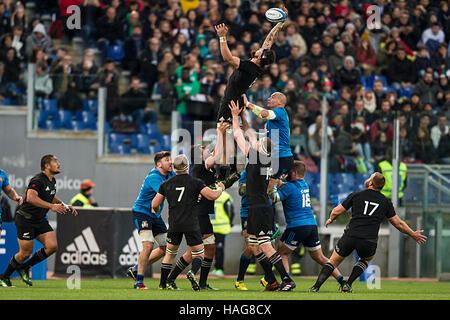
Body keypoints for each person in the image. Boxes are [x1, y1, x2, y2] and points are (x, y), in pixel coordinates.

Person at [309, 172, 427, 293]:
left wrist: (331, 218)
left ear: (371, 182)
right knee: (366, 259)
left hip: (351, 235)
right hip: (369, 240)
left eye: (370, 177)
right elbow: (398, 223)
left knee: (333, 261)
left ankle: (315, 287)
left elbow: (337, 210)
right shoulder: (386, 202)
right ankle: (347, 285)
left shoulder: (356, 195)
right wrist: (412, 233)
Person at [229, 99, 295, 292]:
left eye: (257, 142)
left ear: (260, 148)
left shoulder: (256, 157)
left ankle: (287, 279)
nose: (255, 141)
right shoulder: (268, 161)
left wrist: (234, 117)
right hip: (258, 206)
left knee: (264, 245)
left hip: (259, 207)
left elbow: (239, 136)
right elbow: (249, 134)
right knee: (256, 246)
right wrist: (242, 116)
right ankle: (273, 281)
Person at [213, 6, 286, 172]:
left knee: (223, 134)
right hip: (237, 100)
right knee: (230, 134)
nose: (260, 47)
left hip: (231, 102)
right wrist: (280, 24)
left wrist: (222, 38)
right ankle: (229, 167)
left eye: (261, 51)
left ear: (260, 57)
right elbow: (269, 41)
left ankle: (226, 170)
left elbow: (227, 58)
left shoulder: (249, 67)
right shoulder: (256, 66)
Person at [164, 122, 236, 290]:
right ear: (199, 156)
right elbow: (217, 155)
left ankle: (182, 280)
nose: (208, 151)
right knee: (202, 250)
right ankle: (190, 278)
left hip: (201, 213)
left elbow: (222, 158)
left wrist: (225, 137)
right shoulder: (199, 167)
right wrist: (220, 132)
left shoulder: (206, 170)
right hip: (199, 214)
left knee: (200, 250)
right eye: (204, 151)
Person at [0, 155, 78, 288]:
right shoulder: (38, 179)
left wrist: (64, 205)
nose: (59, 164)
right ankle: (4, 277)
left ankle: (24, 268)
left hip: (39, 220)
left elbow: (51, 196)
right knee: (25, 253)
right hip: (26, 219)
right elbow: (30, 197)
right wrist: (51, 207)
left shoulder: (51, 181)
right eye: (55, 161)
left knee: (52, 246)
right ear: (47, 165)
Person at [152, 154, 225, 291]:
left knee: (170, 254)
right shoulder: (195, 182)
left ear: (174, 168)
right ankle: (192, 272)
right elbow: (212, 195)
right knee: (199, 253)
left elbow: (155, 204)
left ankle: (163, 284)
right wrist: (221, 187)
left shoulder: (166, 184)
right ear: (187, 167)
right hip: (191, 223)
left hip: (174, 223)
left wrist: (156, 210)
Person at [269, 160, 346, 289]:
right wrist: (280, 181)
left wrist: (272, 184)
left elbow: (274, 198)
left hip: (297, 226)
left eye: (288, 171)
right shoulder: (304, 185)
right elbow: (288, 187)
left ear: (293, 172)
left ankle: (286, 282)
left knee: (282, 253)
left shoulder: (290, 187)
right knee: (320, 257)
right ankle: (343, 282)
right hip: (311, 225)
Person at [127, 151, 175, 290]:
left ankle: (135, 269)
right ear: (159, 164)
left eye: (171, 159)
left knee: (165, 248)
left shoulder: (169, 174)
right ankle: (139, 283)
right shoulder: (154, 177)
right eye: (167, 160)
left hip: (155, 216)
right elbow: (168, 192)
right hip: (142, 213)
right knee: (148, 245)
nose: (171, 162)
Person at [243, 92, 294, 194]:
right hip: (279, 158)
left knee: (265, 190)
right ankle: (278, 187)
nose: (269, 99)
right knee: (266, 187)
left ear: (280, 102)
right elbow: (267, 138)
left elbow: (263, 114)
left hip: (281, 158)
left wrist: (247, 103)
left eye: (272, 97)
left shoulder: (280, 112)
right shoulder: (273, 120)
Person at [209, 190, 234, 277]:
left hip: (221, 228)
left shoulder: (224, 196)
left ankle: (220, 269)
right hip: (212, 227)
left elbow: (230, 212)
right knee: (211, 249)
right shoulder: (211, 194)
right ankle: (216, 268)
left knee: (219, 249)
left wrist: (230, 223)